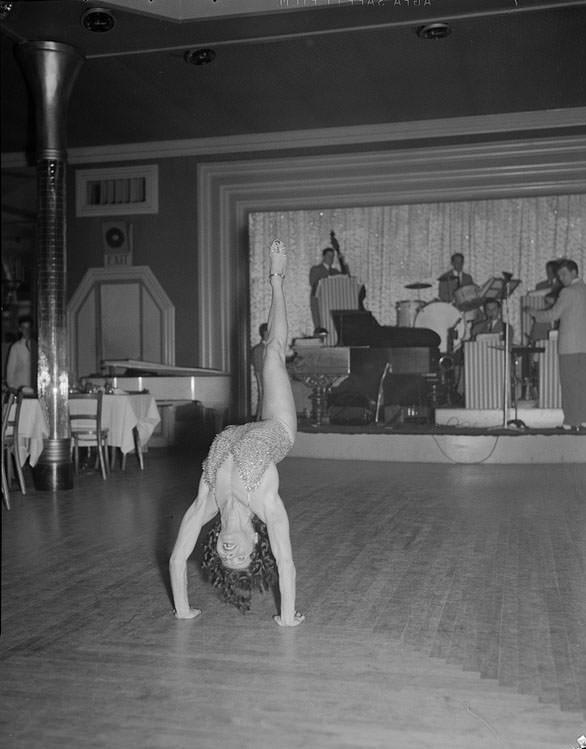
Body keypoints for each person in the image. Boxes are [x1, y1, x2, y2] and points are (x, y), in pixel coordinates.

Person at [170, 240, 304, 626]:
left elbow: (178, 558)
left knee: (263, 358)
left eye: (225, 557)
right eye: (241, 556)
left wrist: (184, 611)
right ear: (255, 542)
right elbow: (287, 562)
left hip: (244, 429)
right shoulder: (266, 504)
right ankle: (277, 277)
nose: (231, 553)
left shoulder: (206, 502)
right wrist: (287, 617)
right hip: (275, 428)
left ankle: (277, 281)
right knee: (272, 352)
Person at [525, 259, 586, 430]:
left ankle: (571, 421)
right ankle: (583, 419)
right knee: (582, 384)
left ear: (574, 272)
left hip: (569, 347)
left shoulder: (568, 292)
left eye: (563, 274)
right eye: (559, 275)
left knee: (569, 384)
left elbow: (553, 315)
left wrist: (534, 313)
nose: (561, 278)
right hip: (584, 346)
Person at [309, 246, 349, 330]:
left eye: (332, 256)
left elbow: (346, 279)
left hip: (333, 303)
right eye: (329, 256)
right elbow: (313, 283)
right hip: (319, 303)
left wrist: (343, 262)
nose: (331, 258)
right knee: (321, 327)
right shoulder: (315, 269)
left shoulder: (335, 272)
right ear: (323, 257)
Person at [5, 315, 36, 391]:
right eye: (24, 328)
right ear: (20, 329)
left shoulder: (36, 345)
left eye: (29, 327)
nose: (27, 330)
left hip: (35, 390)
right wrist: (12, 388)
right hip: (20, 389)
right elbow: (10, 370)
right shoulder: (15, 347)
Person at [250, 322, 268, 419]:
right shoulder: (258, 349)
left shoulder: (271, 348)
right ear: (264, 333)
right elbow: (260, 369)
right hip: (266, 381)